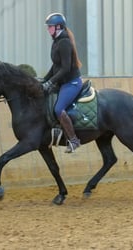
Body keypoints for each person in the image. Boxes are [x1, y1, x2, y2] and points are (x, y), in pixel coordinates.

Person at [42, 12, 83, 153]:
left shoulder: (64, 42)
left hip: (71, 83)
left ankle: (73, 140)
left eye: (50, 27)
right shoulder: (56, 42)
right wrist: (44, 80)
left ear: (58, 27)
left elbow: (65, 68)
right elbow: (55, 66)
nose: (48, 29)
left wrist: (51, 82)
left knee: (59, 109)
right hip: (62, 82)